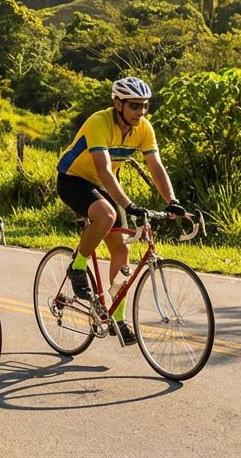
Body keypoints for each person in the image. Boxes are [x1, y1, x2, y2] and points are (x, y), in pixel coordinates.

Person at [55, 76, 186, 344]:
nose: (141, 112)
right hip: (72, 179)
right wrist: (129, 206)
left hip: (103, 184)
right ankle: (77, 267)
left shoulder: (144, 128)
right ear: (118, 103)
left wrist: (171, 200)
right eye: (135, 106)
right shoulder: (98, 122)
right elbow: (103, 171)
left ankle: (118, 318)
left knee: (122, 249)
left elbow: (156, 167)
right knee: (106, 214)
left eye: (145, 106)